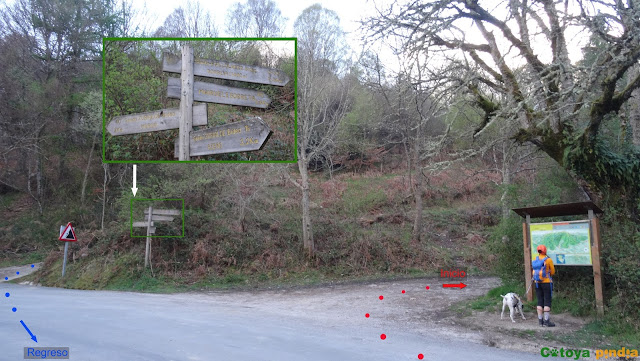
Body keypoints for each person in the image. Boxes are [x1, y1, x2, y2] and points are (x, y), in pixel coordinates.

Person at [532, 244, 555, 327]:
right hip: (547, 282)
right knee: (547, 301)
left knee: (539, 301)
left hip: (537, 282)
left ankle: (540, 321)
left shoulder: (535, 258)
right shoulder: (548, 260)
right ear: (545, 250)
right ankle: (546, 321)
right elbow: (553, 272)